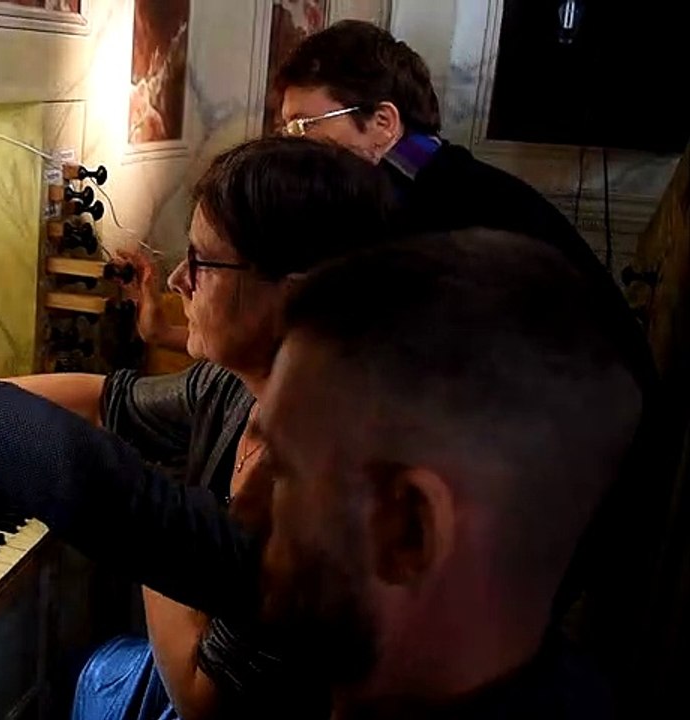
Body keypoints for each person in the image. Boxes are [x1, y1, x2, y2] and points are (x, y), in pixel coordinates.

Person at [0, 226, 642, 718]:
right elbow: (134, 505)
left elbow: (149, 514)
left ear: (408, 529)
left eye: (286, 467)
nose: (244, 492)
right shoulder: (410, 639)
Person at [0, 137, 399, 718]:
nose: (178, 281)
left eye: (202, 262)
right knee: (92, 669)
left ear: (295, 294)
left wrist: (155, 502)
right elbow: (104, 400)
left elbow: (199, 698)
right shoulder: (234, 385)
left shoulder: (327, 494)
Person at [271, 19, 663, 695]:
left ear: (383, 123)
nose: (291, 148)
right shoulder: (432, 186)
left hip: (584, 479)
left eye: (307, 126)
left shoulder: (440, 216)